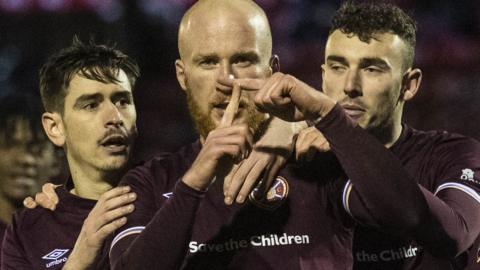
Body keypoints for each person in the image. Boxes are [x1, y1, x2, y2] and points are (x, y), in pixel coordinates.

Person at [109, 1, 354, 269]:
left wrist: (323, 121)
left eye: (243, 60)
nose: (226, 80)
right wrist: (192, 185)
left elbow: (405, 215)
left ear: (272, 68)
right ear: (182, 75)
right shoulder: (149, 184)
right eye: (208, 62)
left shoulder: (319, 159)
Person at [282, 1, 480, 269]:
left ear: (409, 85)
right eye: (338, 67)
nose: (350, 87)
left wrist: (337, 131)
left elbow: (452, 235)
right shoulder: (303, 159)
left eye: (372, 69)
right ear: (323, 74)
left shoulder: (453, 154)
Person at [1, 38, 140, 269]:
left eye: (123, 101)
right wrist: (80, 258)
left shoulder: (173, 191)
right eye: (91, 105)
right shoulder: (28, 230)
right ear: (55, 128)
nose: (114, 118)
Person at [0, 92, 60, 266]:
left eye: (36, 148)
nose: (24, 160)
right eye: (10, 145)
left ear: (57, 161)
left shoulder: (72, 230)